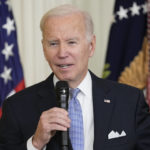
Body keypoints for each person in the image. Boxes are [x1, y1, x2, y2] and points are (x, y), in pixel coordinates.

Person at [0, 4, 150, 150]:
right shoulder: (16, 107)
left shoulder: (130, 101)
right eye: (53, 43)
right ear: (44, 49)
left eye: (71, 42)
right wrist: (36, 143)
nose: (62, 53)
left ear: (91, 46)